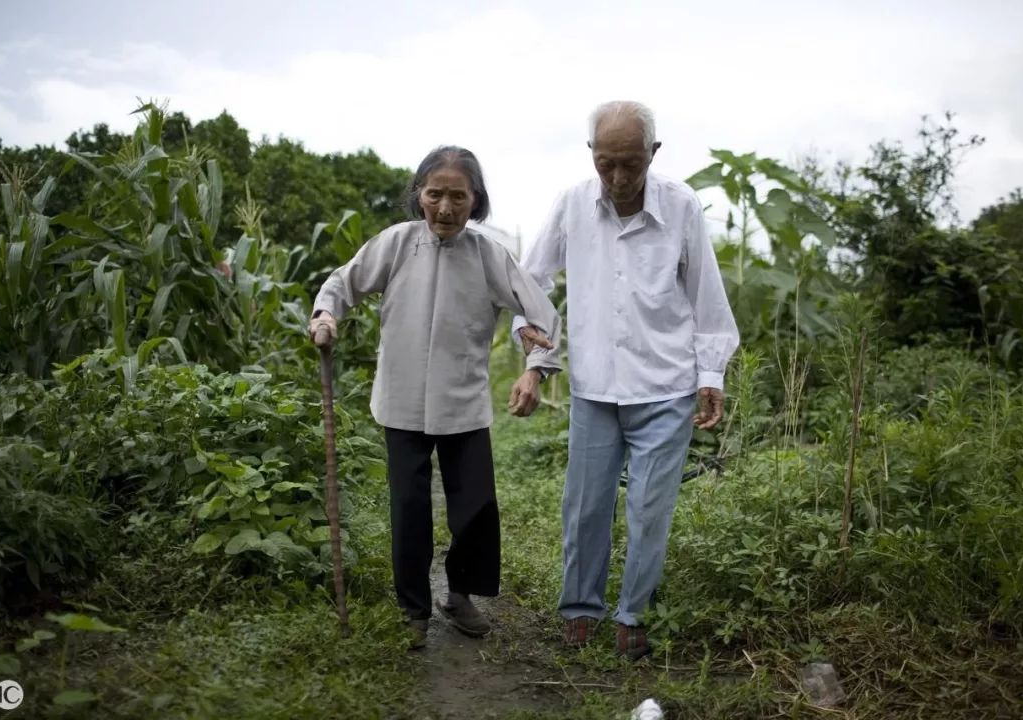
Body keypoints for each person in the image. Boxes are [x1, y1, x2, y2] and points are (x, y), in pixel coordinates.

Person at [508, 101, 739, 660]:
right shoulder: (572, 205)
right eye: (605, 163)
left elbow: (707, 296)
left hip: (665, 386)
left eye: (630, 164)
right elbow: (532, 282)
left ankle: (633, 614)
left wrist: (711, 374)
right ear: (592, 155)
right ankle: (581, 609)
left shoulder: (681, 206)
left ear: (653, 155)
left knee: (648, 509)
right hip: (594, 389)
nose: (617, 178)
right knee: (585, 507)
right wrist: (535, 356)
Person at [309, 146, 561, 649]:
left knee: (475, 507)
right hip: (400, 401)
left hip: (462, 402)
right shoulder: (397, 244)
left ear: (476, 201)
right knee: (408, 507)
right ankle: (413, 610)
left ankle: (459, 595)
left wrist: (534, 368)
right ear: (419, 196)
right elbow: (344, 283)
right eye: (435, 194)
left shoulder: (490, 255)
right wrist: (326, 314)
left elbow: (541, 314)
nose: (445, 207)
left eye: (458, 197)